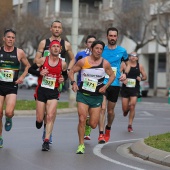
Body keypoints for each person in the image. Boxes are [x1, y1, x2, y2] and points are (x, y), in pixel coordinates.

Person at [68, 40, 115, 154]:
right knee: (81, 118)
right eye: (96, 48)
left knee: (94, 124)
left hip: (96, 96)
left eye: (100, 49)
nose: (98, 51)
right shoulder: (83, 61)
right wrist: (73, 83)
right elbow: (71, 71)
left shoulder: (105, 63)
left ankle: (88, 125)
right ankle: (81, 145)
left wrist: (106, 86)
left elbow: (112, 75)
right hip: (83, 94)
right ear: (92, 49)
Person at [34, 20, 74, 144]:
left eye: (59, 27)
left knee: (51, 111)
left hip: (57, 79)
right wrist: (40, 67)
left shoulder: (66, 44)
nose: (57, 29)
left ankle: (48, 133)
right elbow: (36, 59)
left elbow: (73, 59)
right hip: (44, 77)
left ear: (61, 30)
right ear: (51, 28)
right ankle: (43, 124)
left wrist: (66, 71)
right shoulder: (43, 43)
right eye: (55, 27)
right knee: (42, 112)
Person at [28, 40, 67, 151]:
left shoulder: (63, 63)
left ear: (60, 50)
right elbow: (30, 69)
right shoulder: (42, 60)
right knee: (40, 119)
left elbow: (65, 75)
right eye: (53, 46)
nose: (55, 48)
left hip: (53, 91)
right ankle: (40, 121)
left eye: (57, 47)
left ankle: (46, 141)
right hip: (41, 91)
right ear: (49, 49)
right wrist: (39, 73)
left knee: (50, 116)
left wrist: (63, 79)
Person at [98, 27, 130, 144]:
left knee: (110, 111)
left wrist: (125, 74)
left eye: (114, 36)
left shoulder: (122, 51)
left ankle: (108, 128)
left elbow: (128, 64)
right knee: (102, 108)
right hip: (102, 83)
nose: (112, 38)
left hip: (115, 84)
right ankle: (101, 134)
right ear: (107, 37)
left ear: (117, 37)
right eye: (110, 36)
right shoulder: (102, 50)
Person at [0, 29, 30, 148]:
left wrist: (22, 76)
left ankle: (9, 118)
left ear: (14, 40)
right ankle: (0, 137)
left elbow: (27, 65)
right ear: (4, 38)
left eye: (13, 37)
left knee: (8, 112)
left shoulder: (19, 52)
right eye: (8, 37)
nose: (10, 39)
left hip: (12, 86)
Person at [75, 35, 96, 140]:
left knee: (93, 120)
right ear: (86, 44)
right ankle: (82, 138)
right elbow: (73, 68)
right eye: (89, 42)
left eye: (93, 42)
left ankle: (89, 126)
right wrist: (73, 82)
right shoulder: (80, 55)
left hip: (96, 89)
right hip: (82, 87)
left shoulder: (101, 56)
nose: (91, 44)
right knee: (82, 116)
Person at [120, 52, 147, 132]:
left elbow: (145, 77)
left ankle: (130, 125)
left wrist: (141, 78)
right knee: (125, 109)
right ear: (129, 57)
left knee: (132, 105)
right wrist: (123, 79)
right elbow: (117, 74)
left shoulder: (140, 66)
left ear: (137, 58)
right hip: (125, 88)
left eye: (135, 56)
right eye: (131, 56)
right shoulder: (124, 65)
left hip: (135, 88)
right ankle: (126, 111)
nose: (133, 57)